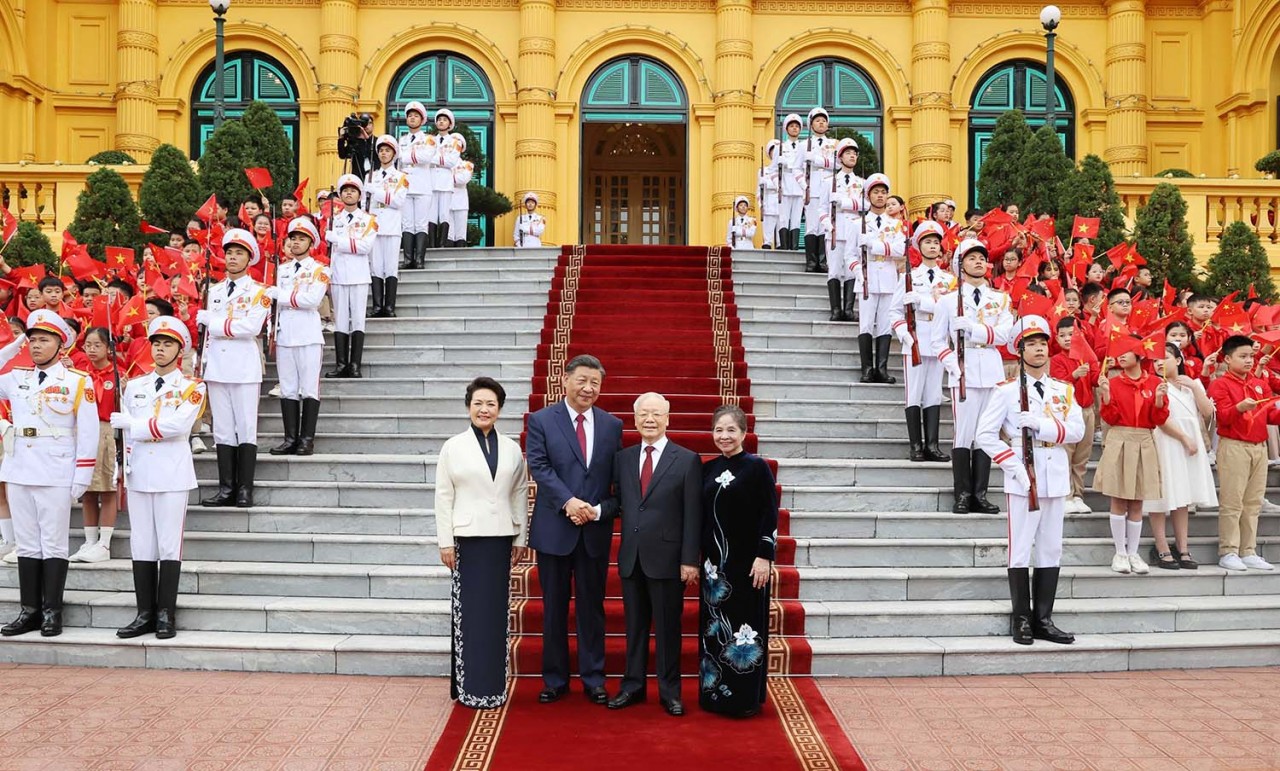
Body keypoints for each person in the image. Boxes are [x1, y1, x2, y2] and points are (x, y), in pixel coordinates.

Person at [976, 315, 1082, 646]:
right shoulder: (1006, 391)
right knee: (1020, 549)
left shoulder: (1063, 390)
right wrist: (1014, 467)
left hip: (1054, 472)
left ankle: (1044, 619)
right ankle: (1021, 618)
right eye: (1031, 344)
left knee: (1051, 548)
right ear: (1019, 351)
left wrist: (1040, 424)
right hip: (1023, 476)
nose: (1038, 349)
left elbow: (1077, 430)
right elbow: (985, 436)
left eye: (1042, 344)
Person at [524, 354, 623, 705]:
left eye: (595, 382)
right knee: (553, 607)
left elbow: (615, 478)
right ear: (565, 380)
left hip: (593, 530)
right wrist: (569, 502)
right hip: (555, 528)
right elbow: (538, 465)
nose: (588, 388)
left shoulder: (613, 425)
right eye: (582, 380)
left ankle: (594, 677)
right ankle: (554, 678)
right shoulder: (541, 420)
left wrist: (594, 511)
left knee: (591, 608)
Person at [600, 392, 702, 717]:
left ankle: (670, 691)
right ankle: (632, 686)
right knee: (635, 627)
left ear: (668, 418)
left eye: (656, 414)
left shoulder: (686, 459)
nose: (649, 419)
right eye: (643, 413)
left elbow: (692, 514)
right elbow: (620, 503)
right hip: (632, 557)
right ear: (634, 418)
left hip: (669, 559)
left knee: (669, 628)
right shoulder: (624, 458)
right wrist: (595, 510)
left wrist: (690, 560)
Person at [0, 310, 99, 638]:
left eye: (44, 339)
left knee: (54, 543)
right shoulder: (17, 377)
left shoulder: (75, 382)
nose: (36, 345)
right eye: (32, 340)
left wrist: (82, 476)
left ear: (61, 344)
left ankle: (52, 611)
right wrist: (13, 346)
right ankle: (29, 609)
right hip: (19, 468)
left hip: (57, 469)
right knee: (27, 543)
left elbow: (87, 433)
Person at [434, 377, 529, 708]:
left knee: (495, 614)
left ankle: (493, 687)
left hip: (501, 539)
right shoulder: (453, 447)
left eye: (491, 404)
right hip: (466, 541)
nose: (484, 409)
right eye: (478, 403)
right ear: (468, 407)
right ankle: (468, 686)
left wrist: (520, 536)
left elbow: (519, 493)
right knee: (470, 614)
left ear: (500, 409)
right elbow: (443, 497)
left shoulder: (512, 448)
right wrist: (445, 542)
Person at [112, 316, 205, 639]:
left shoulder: (192, 387)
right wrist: (121, 464)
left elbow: (178, 427)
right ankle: (144, 613)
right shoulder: (135, 386)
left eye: (168, 344)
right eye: (156, 343)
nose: (161, 349)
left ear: (180, 350)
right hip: (139, 471)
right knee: (142, 544)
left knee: (168, 545)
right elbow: (124, 437)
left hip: (171, 473)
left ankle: (166, 613)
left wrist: (131, 425)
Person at [699, 404, 777, 717]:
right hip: (715, 570)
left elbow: (769, 514)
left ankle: (743, 699)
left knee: (745, 630)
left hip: (747, 567)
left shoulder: (757, 468)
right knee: (714, 629)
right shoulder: (707, 468)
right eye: (719, 430)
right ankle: (713, 694)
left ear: (744, 433)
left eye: (731, 429)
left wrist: (764, 556)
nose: (724, 436)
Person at [933, 239, 1013, 514]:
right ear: (961, 265)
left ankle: (981, 493)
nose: (978, 262)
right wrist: (951, 362)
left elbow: (1004, 335)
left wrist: (974, 329)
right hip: (963, 369)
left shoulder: (1001, 299)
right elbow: (937, 341)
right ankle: (963, 494)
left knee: (986, 434)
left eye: (981, 258)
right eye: (971, 258)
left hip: (991, 367)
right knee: (964, 434)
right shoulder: (947, 301)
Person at [196, 228, 271, 509]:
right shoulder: (213, 291)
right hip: (216, 365)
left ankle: (244, 489)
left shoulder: (258, 292)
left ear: (249, 258)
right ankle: (226, 488)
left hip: (243, 366)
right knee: (223, 431)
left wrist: (213, 324)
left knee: (246, 427)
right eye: (229, 253)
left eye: (239, 253)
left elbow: (250, 327)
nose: (232, 257)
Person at [1093, 335, 1169, 574]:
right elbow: (1110, 417)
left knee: (1137, 501)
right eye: (1119, 352)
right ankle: (1120, 552)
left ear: (1140, 354)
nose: (1121, 356)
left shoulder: (1155, 382)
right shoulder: (1114, 383)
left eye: (1126, 351)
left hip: (1144, 439)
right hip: (1120, 438)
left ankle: (1134, 552)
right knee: (1118, 498)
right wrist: (1105, 395)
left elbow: (1159, 419)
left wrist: (1158, 400)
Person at [1207, 334, 1280, 571]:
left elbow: (1270, 415)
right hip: (1234, 445)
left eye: (1251, 356)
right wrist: (1240, 407)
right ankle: (1228, 550)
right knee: (1232, 501)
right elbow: (1222, 417)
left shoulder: (1258, 383)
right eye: (1243, 356)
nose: (1249, 360)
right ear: (1228, 359)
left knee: (1252, 502)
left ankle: (1248, 550)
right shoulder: (1220, 384)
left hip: (1259, 447)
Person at [1144, 343, 1216, 570]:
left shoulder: (1190, 385)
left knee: (1182, 496)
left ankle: (1183, 547)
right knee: (1161, 495)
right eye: (1155, 359)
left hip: (1189, 444)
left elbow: (1207, 413)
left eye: (1164, 357)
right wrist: (1184, 438)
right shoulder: (1153, 384)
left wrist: (1195, 388)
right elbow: (1160, 418)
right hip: (1166, 442)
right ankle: (1162, 546)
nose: (1159, 363)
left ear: (1178, 360)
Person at [890, 220, 955, 462]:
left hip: (938, 341)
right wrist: (904, 334)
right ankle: (916, 446)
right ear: (919, 246)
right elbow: (894, 312)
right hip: (915, 340)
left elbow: (946, 308)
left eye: (936, 242)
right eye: (927, 242)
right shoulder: (909, 277)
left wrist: (921, 302)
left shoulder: (949, 280)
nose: (932, 246)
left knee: (934, 395)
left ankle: (933, 445)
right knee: (914, 394)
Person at [269, 217, 330, 456]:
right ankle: (290, 438)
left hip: (308, 335)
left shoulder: (320, 270)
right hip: (286, 335)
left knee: (309, 389)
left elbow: (312, 300)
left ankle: (307, 439)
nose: (295, 243)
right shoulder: (280, 270)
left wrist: (281, 296)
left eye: (301, 239)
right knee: (288, 388)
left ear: (311, 243)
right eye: (292, 238)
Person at [69, 327, 120, 563]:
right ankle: (89, 540)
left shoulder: (117, 376)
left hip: (107, 431)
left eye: (97, 345)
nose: (91, 349)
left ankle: (104, 542)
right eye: (87, 345)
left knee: (107, 488)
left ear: (108, 348)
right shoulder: (79, 376)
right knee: (87, 491)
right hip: (83, 432)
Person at [850, 173, 906, 384]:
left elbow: (901, 249)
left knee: (884, 325)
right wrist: (858, 272)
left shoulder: (896, 225)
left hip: (888, 277)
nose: (880, 196)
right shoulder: (858, 224)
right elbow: (850, 255)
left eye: (883, 192)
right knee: (865, 324)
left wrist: (875, 245)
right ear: (868, 196)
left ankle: (881, 369)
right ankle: (867, 368)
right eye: (876, 192)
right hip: (867, 277)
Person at [324, 173, 377, 379]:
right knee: (341, 321)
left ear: (359, 195)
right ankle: (341, 364)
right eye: (345, 190)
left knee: (357, 320)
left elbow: (364, 246)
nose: (348, 193)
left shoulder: (368, 220)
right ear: (340, 195)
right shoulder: (333, 220)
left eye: (353, 190)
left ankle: (355, 365)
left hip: (358, 275)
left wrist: (338, 240)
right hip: (338, 274)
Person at [1049, 318, 1099, 514]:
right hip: (1067, 411)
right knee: (1067, 453)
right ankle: (1066, 495)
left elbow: (1094, 379)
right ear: (1057, 338)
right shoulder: (1057, 360)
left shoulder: (1086, 357)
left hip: (1087, 410)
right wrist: (1075, 375)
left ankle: (1078, 495)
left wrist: (1100, 375)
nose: (1067, 339)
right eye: (1062, 336)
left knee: (1082, 455)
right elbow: (1058, 385)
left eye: (1071, 334)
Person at [366, 134, 408, 318]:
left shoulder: (401, 177)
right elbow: (363, 204)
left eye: (387, 151)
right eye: (381, 150)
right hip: (374, 225)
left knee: (390, 267)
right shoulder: (371, 176)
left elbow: (398, 201)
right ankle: (377, 306)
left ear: (394, 154)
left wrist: (376, 192)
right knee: (375, 266)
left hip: (391, 226)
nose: (384, 154)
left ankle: (389, 306)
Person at [824, 138, 862, 322]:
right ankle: (836, 310)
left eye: (854, 153)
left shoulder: (862, 183)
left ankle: (848, 310)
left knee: (850, 271)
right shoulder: (829, 181)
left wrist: (844, 203)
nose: (852, 156)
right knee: (834, 271)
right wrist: (827, 225)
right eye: (848, 153)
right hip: (835, 230)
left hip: (853, 232)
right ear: (840, 157)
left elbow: (867, 205)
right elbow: (821, 209)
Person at [397, 101, 432, 269]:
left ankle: (419, 259)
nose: (412, 118)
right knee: (407, 223)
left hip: (422, 186)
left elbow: (426, 157)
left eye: (415, 116)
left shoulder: (428, 140)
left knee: (421, 223)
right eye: (410, 116)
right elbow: (396, 162)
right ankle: (408, 259)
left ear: (422, 120)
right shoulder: (401, 140)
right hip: (405, 186)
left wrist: (406, 156)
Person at [802, 107, 835, 274]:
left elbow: (836, 164)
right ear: (811, 124)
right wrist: (803, 186)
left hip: (828, 187)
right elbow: (795, 169)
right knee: (811, 226)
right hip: (812, 188)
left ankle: (823, 261)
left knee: (825, 226)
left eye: (824, 120)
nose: (821, 123)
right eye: (817, 120)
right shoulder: (804, 145)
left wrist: (817, 160)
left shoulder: (834, 144)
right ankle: (811, 261)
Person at [427, 108, 463, 249]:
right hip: (431, 180)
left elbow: (452, 161)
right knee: (431, 213)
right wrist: (441, 159)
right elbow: (426, 158)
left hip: (445, 181)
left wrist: (434, 158)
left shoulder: (455, 142)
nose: (441, 122)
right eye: (439, 119)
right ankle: (431, 244)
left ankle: (442, 244)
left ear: (450, 124)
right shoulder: (429, 140)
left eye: (444, 120)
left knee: (443, 213)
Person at [774, 114, 805, 255]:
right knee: (784, 217)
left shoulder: (804, 147)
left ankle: (794, 247)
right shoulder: (780, 147)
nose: (794, 128)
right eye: (792, 126)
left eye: (797, 126)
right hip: (784, 186)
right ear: (786, 129)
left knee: (797, 218)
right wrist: (777, 185)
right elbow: (773, 170)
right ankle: (784, 247)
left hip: (799, 186)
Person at [450, 137, 474, 248]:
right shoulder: (444, 163)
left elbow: (463, 179)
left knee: (460, 233)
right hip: (447, 201)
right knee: (449, 233)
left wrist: (447, 178)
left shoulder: (467, 165)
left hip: (460, 201)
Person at [758, 140, 780, 249]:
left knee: (781, 228)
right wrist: (760, 204)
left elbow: (782, 185)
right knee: (768, 227)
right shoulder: (763, 170)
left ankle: (781, 245)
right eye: (773, 151)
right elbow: (758, 190)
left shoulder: (785, 169)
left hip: (781, 201)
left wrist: (767, 183)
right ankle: (767, 243)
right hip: (769, 200)